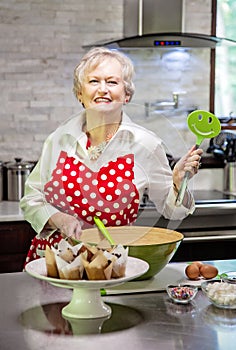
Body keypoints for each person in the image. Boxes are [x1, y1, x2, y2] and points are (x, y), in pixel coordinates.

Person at [20, 47, 203, 266]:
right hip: (56, 262)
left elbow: (173, 211)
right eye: (94, 81)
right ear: (80, 93)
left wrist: (177, 184)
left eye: (112, 82)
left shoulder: (146, 145)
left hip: (112, 264)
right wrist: (57, 218)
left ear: (127, 95)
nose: (103, 89)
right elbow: (31, 199)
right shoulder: (59, 139)